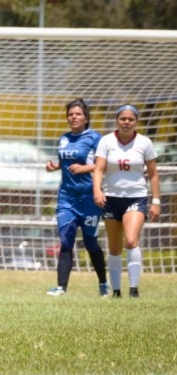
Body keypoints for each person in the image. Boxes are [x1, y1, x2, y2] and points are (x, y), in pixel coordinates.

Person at [93, 104, 160, 298]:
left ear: (136, 121)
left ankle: (134, 289)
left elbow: (154, 174)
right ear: (117, 120)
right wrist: (97, 190)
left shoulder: (145, 143)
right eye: (123, 118)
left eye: (131, 119)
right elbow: (98, 169)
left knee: (131, 240)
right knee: (114, 247)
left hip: (136, 197)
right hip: (111, 198)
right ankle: (116, 291)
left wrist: (155, 200)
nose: (126, 122)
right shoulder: (106, 141)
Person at [45, 98, 109, 297]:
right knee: (66, 241)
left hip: (89, 198)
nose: (74, 117)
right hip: (66, 198)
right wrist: (56, 166)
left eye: (78, 114)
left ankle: (103, 285)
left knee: (90, 243)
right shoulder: (64, 138)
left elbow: (105, 164)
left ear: (86, 118)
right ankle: (61, 288)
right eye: (70, 114)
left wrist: (85, 168)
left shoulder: (95, 138)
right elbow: (67, 161)